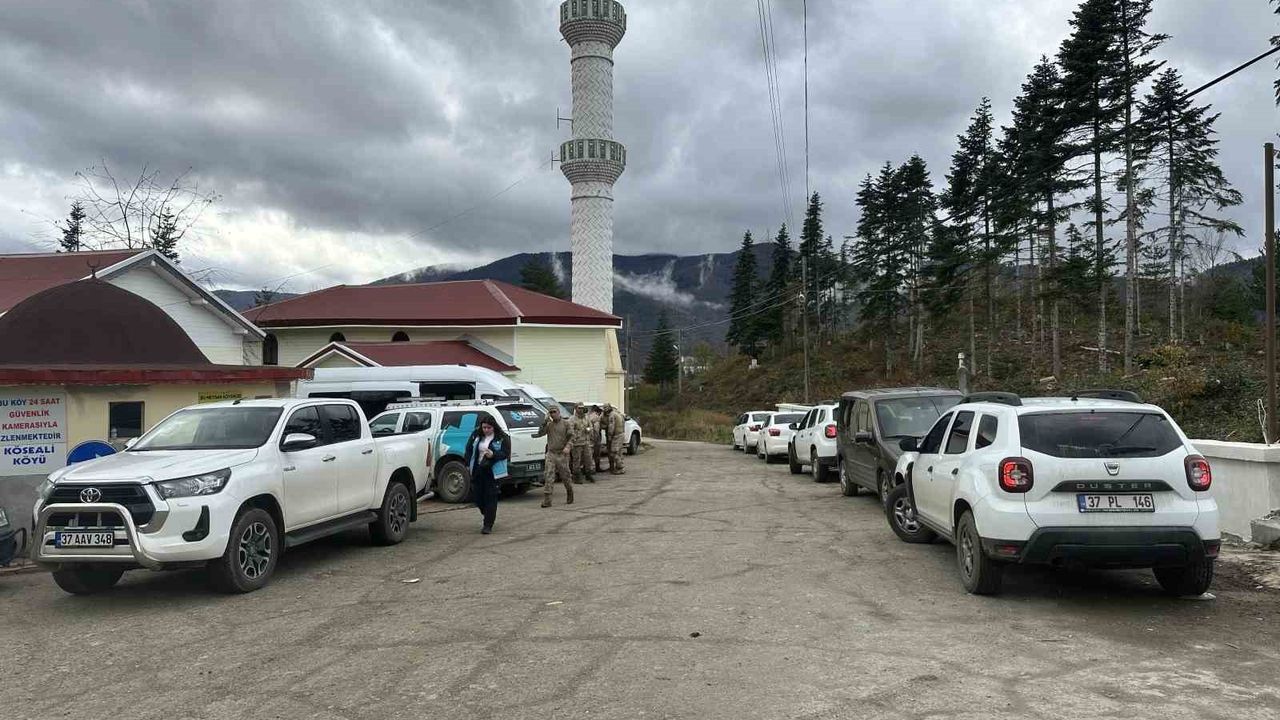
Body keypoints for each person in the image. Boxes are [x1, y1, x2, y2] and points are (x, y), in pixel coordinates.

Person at [463, 415, 509, 534]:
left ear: (494, 427)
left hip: (493, 472)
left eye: (489, 428)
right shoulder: (476, 435)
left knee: (491, 498)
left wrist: (493, 454)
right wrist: (467, 464)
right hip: (478, 470)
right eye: (484, 427)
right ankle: (487, 513)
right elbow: (468, 449)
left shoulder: (502, 438)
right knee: (477, 497)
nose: (486, 430)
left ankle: (488, 524)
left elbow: (505, 453)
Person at [533, 404, 573, 507]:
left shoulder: (566, 423)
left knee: (565, 476)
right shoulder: (549, 425)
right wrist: (544, 422)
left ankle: (569, 491)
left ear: (559, 412)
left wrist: (568, 446)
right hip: (551, 454)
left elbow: (572, 437)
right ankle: (547, 500)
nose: (553, 414)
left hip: (562, 454)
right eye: (551, 412)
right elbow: (540, 433)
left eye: (554, 412)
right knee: (549, 476)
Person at [568, 403, 595, 484]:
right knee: (577, 460)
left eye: (582, 408)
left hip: (586, 442)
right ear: (576, 408)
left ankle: (588, 474)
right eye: (579, 408)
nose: (581, 410)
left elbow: (591, 427)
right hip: (577, 443)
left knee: (588, 459)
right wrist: (575, 436)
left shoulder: (586, 418)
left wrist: (589, 430)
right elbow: (570, 431)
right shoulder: (572, 419)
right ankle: (576, 476)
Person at [603, 402, 626, 475]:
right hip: (621, 434)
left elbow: (611, 427)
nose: (604, 410)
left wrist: (609, 436)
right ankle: (618, 467)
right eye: (604, 408)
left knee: (614, 452)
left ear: (609, 408)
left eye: (605, 408)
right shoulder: (617, 413)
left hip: (617, 436)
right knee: (619, 452)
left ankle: (621, 467)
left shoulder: (612, 415)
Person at [588, 404, 604, 474]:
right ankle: (595, 468)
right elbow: (596, 429)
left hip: (588, 438)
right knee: (596, 454)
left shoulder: (588, 416)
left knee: (589, 454)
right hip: (594, 438)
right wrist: (596, 439)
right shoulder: (596, 417)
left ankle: (589, 468)